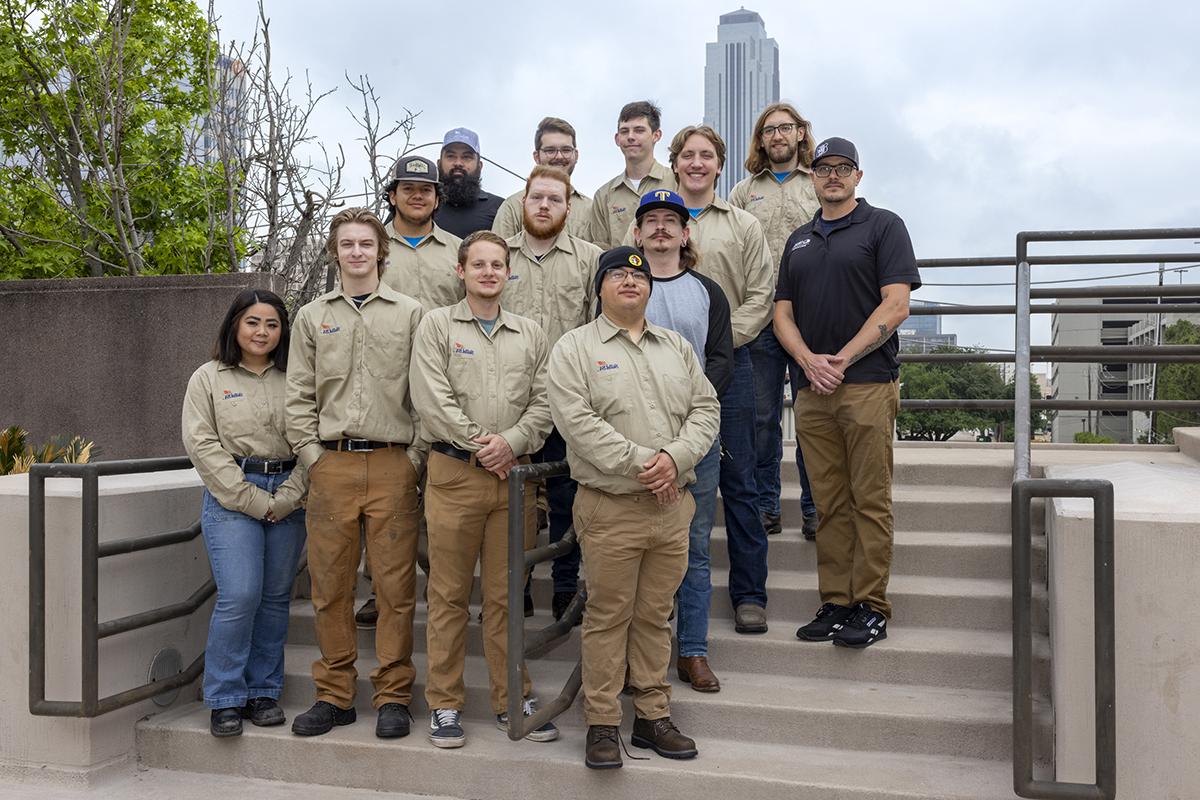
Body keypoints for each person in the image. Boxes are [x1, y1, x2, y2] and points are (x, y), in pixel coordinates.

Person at [548, 246, 720, 769]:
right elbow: (576, 422)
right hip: (611, 506)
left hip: (671, 507)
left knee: (654, 616)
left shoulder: (677, 348)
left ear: (651, 289)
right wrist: (650, 463)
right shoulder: (573, 349)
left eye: (638, 277)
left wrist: (676, 457)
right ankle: (602, 723)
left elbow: (706, 408)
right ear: (600, 287)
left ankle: (651, 716)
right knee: (607, 616)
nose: (630, 282)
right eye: (617, 275)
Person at [410, 230, 558, 748]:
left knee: (505, 596)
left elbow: (545, 402)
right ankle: (445, 705)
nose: (490, 272)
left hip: (514, 479)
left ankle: (510, 697)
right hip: (454, 476)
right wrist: (481, 445)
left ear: (508, 273)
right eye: (479, 265)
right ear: (461, 271)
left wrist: (512, 442)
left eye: (498, 264)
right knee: (448, 595)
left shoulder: (531, 334)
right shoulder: (436, 326)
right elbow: (431, 398)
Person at [773, 137, 921, 649]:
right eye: (823, 168)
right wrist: (809, 361)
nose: (832, 175)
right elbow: (781, 314)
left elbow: (896, 305)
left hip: (867, 386)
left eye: (843, 168)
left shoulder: (884, 226)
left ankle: (871, 606)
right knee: (830, 505)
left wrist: (842, 358)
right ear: (811, 177)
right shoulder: (798, 240)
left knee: (870, 501)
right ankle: (836, 600)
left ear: (858, 176)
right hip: (812, 388)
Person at [286, 208, 425, 737]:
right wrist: (313, 459)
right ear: (334, 252)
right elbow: (297, 394)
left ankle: (392, 696)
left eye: (366, 243)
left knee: (394, 588)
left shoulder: (411, 314)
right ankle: (335, 694)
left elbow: (426, 395)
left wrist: (413, 461)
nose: (357, 252)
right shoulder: (311, 317)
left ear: (380, 251)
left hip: (394, 462)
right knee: (330, 587)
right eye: (347, 244)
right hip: (332, 463)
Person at [655, 124, 774, 635]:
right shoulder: (651, 219)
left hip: (731, 368)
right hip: (655, 377)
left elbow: (761, 294)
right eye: (688, 155)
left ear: (720, 166)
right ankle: (663, 606)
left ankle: (749, 594)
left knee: (740, 481)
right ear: (675, 162)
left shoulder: (743, 224)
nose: (697, 163)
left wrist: (717, 349)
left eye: (707, 156)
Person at [183, 289, 308, 738]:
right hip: (232, 495)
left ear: (283, 331)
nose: (262, 332)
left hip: (290, 495)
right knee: (240, 596)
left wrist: (291, 495)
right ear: (235, 324)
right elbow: (202, 445)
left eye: (272, 324)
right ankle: (224, 697)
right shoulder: (209, 378)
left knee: (275, 599)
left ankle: (262, 691)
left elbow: (313, 440)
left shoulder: (297, 377)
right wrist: (255, 500)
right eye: (253, 322)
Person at [633, 189, 734, 693]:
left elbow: (721, 361)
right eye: (650, 220)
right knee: (635, 551)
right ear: (636, 233)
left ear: (685, 232)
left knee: (693, 550)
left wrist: (686, 419)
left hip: (696, 438)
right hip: (634, 442)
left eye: (670, 221)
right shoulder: (623, 286)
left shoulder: (707, 291)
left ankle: (692, 651)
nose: (660, 229)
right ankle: (637, 659)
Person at [501, 164, 601, 621]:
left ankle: (564, 587)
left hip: (567, 399)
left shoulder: (590, 259)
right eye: (537, 197)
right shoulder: (498, 257)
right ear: (523, 202)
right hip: (508, 398)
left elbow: (600, 329)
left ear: (568, 207)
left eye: (554, 199)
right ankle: (513, 586)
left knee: (566, 496)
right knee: (508, 500)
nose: (544, 206)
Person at [729, 103, 821, 540]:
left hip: (811, 322)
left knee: (812, 417)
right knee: (762, 419)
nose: (778, 136)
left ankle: (814, 508)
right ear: (760, 140)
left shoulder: (818, 183)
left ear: (801, 133)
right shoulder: (743, 192)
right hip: (761, 321)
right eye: (769, 130)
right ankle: (767, 506)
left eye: (786, 128)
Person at [587, 101, 676, 249]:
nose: (630, 137)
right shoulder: (604, 196)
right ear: (617, 139)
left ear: (656, 135)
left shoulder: (676, 182)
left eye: (639, 130)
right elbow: (600, 252)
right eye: (624, 131)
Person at [492, 117, 592, 240]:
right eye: (550, 150)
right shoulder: (512, 206)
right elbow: (498, 254)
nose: (559, 156)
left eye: (566, 150)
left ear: (576, 156)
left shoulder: (590, 208)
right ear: (537, 156)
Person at [434, 127, 504, 239]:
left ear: (479, 166)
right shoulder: (425, 205)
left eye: (466, 157)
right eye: (451, 156)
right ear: (439, 163)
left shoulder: (500, 207)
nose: (458, 163)